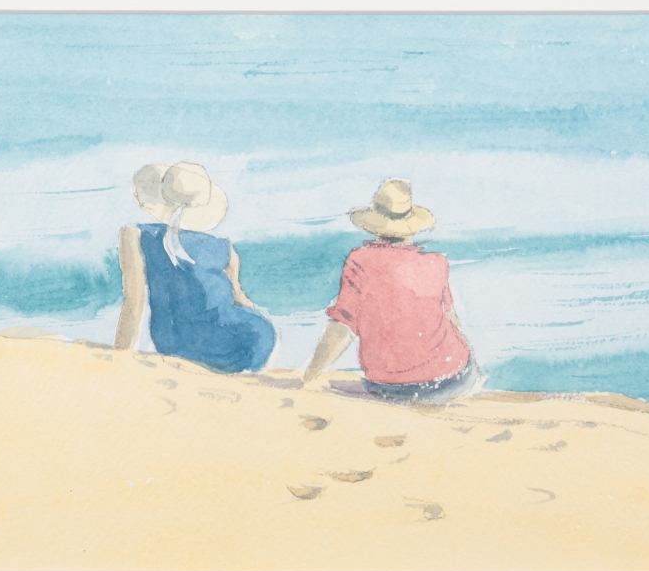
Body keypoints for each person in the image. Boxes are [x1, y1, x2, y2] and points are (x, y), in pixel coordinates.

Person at [303, 178, 477, 402]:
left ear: (375, 223)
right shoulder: (436, 263)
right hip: (454, 378)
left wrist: (311, 374)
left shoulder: (360, 261)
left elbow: (342, 327)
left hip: (391, 388)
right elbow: (453, 320)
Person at [114, 162, 276, 374]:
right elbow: (240, 298)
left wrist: (119, 355)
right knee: (259, 328)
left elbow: (134, 301)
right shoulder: (225, 247)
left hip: (177, 341)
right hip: (247, 342)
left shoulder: (136, 234)